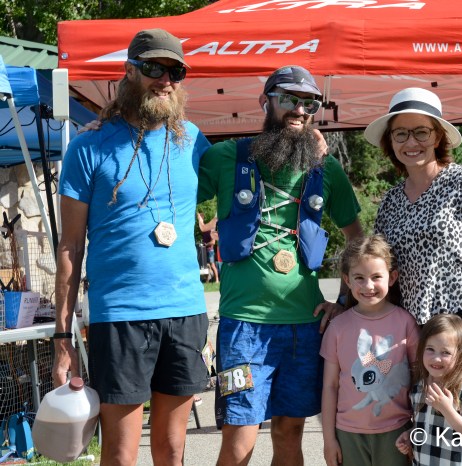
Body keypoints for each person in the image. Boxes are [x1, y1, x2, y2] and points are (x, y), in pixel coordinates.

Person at [51, 28, 211, 465]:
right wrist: (63, 336)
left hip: (184, 312)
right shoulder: (88, 146)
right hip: (120, 315)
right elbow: (69, 247)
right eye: (154, 68)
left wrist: (311, 140)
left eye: (175, 71)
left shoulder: (193, 140)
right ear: (129, 71)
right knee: (121, 455)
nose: (165, 79)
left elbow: (256, 167)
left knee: (172, 450)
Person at [197, 65, 363, 466]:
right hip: (241, 330)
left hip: (303, 331)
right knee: (238, 438)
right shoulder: (224, 157)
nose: (299, 110)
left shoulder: (327, 169)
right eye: (288, 99)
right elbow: (174, 195)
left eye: (309, 103)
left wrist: (345, 300)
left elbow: (357, 240)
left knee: (290, 434)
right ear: (265, 101)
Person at [367, 87, 462, 466]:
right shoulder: (389, 201)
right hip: (417, 334)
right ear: (390, 142)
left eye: (421, 131)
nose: (411, 142)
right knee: (426, 433)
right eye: (401, 133)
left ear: (438, 136)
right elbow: (383, 274)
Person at [320, 235, 419, 466]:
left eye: (376, 277)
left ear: (392, 277)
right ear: (347, 280)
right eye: (359, 278)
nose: (368, 286)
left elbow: (419, 379)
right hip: (348, 434)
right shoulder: (337, 327)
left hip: (398, 432)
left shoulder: (406, 323)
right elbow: (330, 386)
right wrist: (329, 440)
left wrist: (416, 428)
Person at [395, 314, 462, 466]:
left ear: (460, 356)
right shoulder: (418, 388)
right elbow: (426, 427)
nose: (436, 358)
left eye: (445, 352)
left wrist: (447, 410)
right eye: (430, 349)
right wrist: (410, 435)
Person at [198, 211, 219, 283]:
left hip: (210, 250)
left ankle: (217, 280)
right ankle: (207, 280)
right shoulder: (204, 232)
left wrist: (206, 244)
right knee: (206, 265)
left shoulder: (210, 231)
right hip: (205, 250)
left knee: (212, 265)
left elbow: (213, 242)